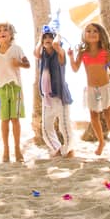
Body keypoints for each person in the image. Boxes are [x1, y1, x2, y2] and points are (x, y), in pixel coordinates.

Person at [68, 22, 110, 157]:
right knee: (94, 116)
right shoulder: (82, 52)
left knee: (109, 115)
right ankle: (101, 142)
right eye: (88, 31)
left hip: (105, 87)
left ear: (100, 34)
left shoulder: (105, 51)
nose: (92, 33)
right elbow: (75, 69)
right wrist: (70, 57)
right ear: (84, 35)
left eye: (95, 31)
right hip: (92, 89)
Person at [0, 22, 30, 163]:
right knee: (4, 120)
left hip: (15, 87)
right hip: (1, 89)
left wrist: (19, 64)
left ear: (11, 35)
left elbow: (27, 64)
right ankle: (6, 150)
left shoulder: (17, 49)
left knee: (15, 119)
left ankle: (17, 149)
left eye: (6, 30)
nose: (2, 32)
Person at [34, 25, 74, 158]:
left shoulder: (60, 54)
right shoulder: (42, 55)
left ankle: (69, 150)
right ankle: (57, 149)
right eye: (45, 37)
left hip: (60, 96)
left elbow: (56, 44)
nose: (48, 39)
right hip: (47, 97)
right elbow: (35, 52)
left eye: (50, 37)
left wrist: (57, 33)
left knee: (64, 126)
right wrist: (41, 39)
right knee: (46, 128)